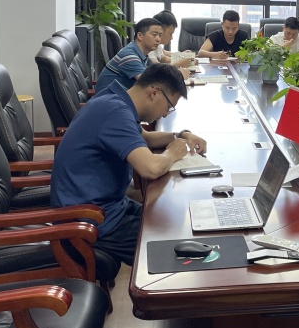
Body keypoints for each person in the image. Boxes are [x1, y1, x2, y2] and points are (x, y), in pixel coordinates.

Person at [51, 63, 208, 265]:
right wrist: (172, 153)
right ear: (154, 93)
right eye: (169, 106)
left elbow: (146, 138)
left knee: (175, 222)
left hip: (107, 207)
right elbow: (150, 168)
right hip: (89, 222)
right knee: (176, 251)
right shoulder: (115, 112)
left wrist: (181, 135)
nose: (165, 114)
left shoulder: (114, 100)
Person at [95, 17, 163, 93]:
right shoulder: (129, 56)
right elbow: (150, 84)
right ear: (140, 36)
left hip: (119, 97)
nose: (158, 39)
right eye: (154, 35)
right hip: (109, 99)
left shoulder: (143, 56)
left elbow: (155, 75)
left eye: (160, 35)